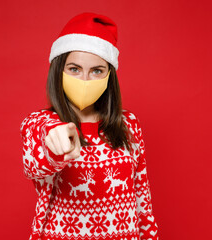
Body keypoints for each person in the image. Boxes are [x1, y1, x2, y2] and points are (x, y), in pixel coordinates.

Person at [20, 12, 159, 240]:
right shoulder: (39, 124)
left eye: (97, 71)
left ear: (109, 76)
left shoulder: (129, 125)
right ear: (59, 71)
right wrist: (56, 142)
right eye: (74, 69)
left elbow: (143, 202)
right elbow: (37, 158)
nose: (85, 80)